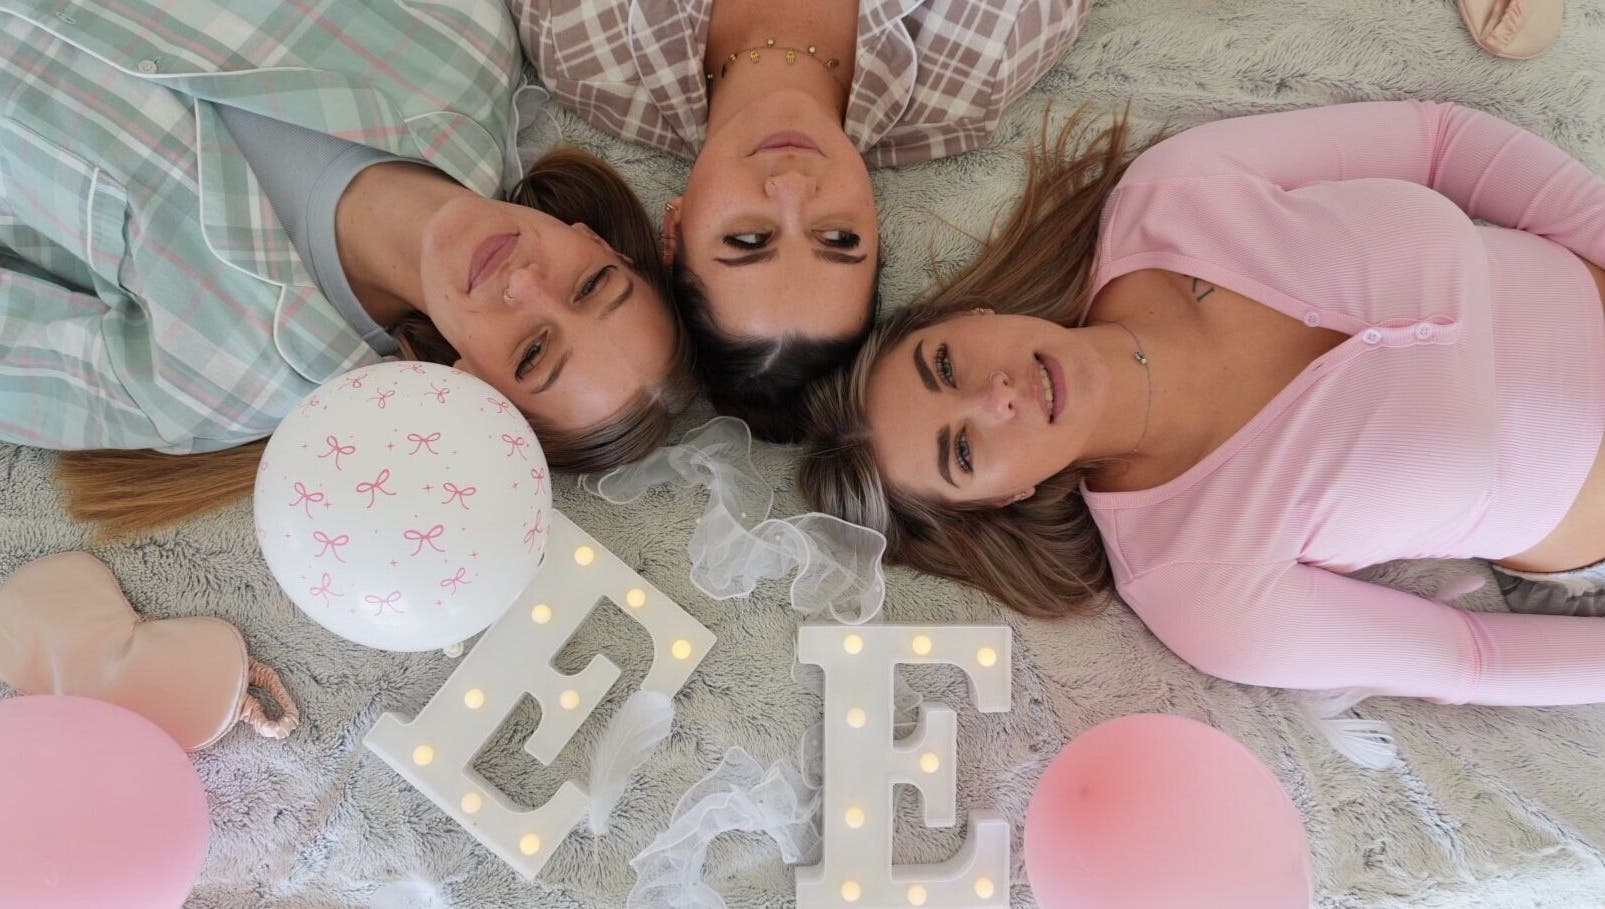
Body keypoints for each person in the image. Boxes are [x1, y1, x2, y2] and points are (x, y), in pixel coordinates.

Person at [800, 100, 1605, 706]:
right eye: (963, 449)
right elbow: (1470, 658)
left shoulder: (1174, 190)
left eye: (944, 364)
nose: (994, 395)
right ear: (1005, 496)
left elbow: (1440, 141)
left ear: (968, 315)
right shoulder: (1196, 583)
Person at [0, 0, 693, 538]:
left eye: (533, 352)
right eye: (590, 285)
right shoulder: (460, 35)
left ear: (472, 389)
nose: (525, 283)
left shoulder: (222, 375)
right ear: (598, 241)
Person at [514, 0, 1093, 440]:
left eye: (748, 237)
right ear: (879, 230)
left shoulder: (581, 47)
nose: (792, 185)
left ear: (674, 230)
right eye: (839, 237)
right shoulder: (987, 57)